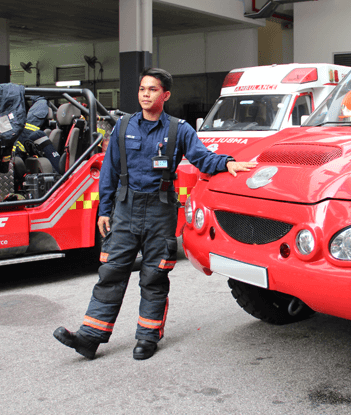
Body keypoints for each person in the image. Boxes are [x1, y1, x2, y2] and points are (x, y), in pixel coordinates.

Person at [54, 67, 256, 360]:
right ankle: (90, 337)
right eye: (142, 89)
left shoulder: (179, 129)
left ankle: (148, 337)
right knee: (110, 272)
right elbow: (108, 172)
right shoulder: (123, 127)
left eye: (152, 90)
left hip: (160, 212)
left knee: (154, 276)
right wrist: (104, 210)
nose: (145, 94)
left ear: (166, 95)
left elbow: (202, 158)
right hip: (124, 211)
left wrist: (227, 164)